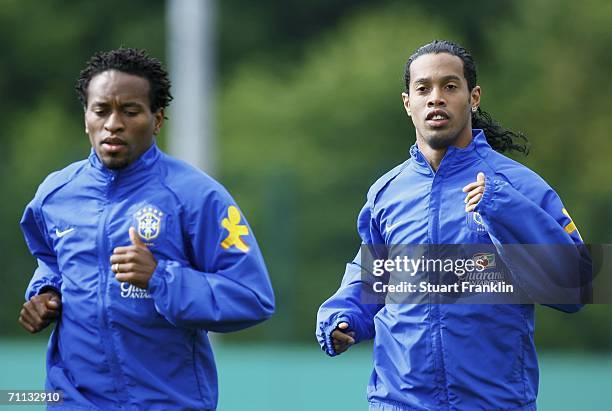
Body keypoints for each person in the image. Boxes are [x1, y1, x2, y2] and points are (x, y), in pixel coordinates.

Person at [316, 40, 588, 410]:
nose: (435, 98)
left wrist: (502, 209)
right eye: (423, 88)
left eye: (449, 86)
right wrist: (342, 316)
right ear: (407, 103)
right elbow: (373, 278)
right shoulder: (386, 192)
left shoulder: (519, 187)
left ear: (473, 97)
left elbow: (576, 285)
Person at [19, 48, 275, 410]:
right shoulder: (55, 195)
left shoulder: (196, 197)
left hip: (166, 401)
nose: (113, 124)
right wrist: (45, 291)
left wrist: (161, 278)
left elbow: (251, 297)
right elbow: (50, 260)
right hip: (72, 399)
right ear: (86, 117)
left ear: (157, 120)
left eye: (130, 111)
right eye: (101, 110)